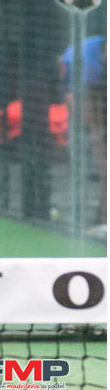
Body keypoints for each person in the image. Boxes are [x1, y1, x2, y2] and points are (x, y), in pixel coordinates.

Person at [59, 34, 107, 238]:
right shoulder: (88, 57)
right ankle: (102, 219)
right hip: (89, 124)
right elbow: (88, 103)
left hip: (89, 120)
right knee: (103, 168)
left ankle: (101, 218)